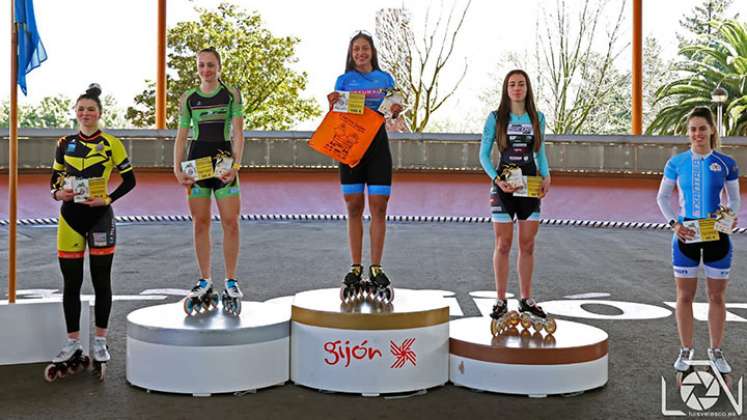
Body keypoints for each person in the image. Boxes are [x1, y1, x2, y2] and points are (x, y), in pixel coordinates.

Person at [47, 84, 136, 380]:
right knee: (71, 283)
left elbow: (130, 180)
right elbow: (55, 181)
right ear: (75, 112)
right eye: (81, 109)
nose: (86, 114)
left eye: (91, 110)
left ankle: (100, 341)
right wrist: (60, 195)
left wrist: (108, 198)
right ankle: (72, 341)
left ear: (99, 113)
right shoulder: (64, 142)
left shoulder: (112, 143)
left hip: (100, 218)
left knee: (101, 280)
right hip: (70, 218)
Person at [656, 106, 740, 377]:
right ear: (688, 132)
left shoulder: (726, 163)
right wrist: (674, 224)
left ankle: (716, 351)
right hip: (686, 236)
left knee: (716, 296)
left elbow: (735, 198)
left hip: (717, 236)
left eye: (702, 128)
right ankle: (685, 349)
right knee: (684, 296)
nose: (697, 134)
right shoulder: (676, 163)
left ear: (712, 129)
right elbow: (662, 197)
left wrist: (729, 217)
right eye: (693, 129)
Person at [328, 31, 402, 303]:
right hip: (351, 145)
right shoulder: (344, 80)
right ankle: (356, 267)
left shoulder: (385, 79)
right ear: (351, 53)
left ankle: (377, 267)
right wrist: (333, 105)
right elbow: (338, 116)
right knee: (354, 207)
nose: (361, 53)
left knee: (379, 207)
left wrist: (395, 110)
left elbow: (393, 110)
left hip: (378, 146)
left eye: (365, 48)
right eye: (356, 49)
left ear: (372, 51)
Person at [173, 47, 245, 315]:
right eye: (202, 65)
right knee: (200, 222)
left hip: (224, 163)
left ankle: (231, 280)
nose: (206, 70)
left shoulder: (231, 94)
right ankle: (205, 279)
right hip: (198, 165)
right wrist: (177, 169)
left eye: (211, 65)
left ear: (219, 67)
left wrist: (235, 166)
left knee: (231, 222)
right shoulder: (188, 98)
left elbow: (238, 133)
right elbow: (182, 136)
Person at [479, 69, 552, 331]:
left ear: (527, 88)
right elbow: (484, 155)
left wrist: (546, 176)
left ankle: (526, 299)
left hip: (530, 185)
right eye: (512, 84)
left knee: (528, 244)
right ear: (506, 89)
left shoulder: (537, 117)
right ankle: (500, 299)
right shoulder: (496, 117)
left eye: (521, 84)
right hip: (504, 185)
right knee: (503, 243)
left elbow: (540, 152)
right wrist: (497, 179)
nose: (517, 88)